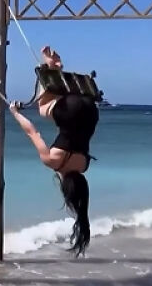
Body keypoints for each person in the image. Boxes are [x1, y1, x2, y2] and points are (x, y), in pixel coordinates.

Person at [9, 45, 99, 257]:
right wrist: (14, 112)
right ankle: (52, 66)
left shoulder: (84, 165)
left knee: (60, 115)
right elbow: (32, 132)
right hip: (71, 111)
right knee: (42, 109)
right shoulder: (52, 161)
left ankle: (56, 67)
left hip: (90, 112)